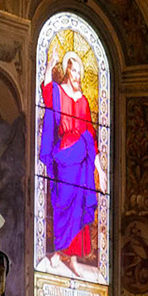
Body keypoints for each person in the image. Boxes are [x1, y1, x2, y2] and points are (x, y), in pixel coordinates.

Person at [39, 48, 104, 280]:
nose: (77, 76)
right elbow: (47, 92)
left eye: (80, 72)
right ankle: (59, 252)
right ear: (67, 71)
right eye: (74, 71)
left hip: (82, 159)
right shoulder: (58, 92)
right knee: (62, 202)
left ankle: (73, 258)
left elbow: (90, 135)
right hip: (65, 155)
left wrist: (101, 171)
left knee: (79, 205)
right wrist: (50, 64)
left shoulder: (84, 101)